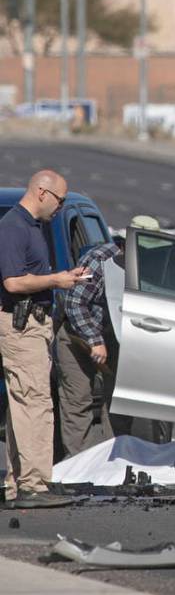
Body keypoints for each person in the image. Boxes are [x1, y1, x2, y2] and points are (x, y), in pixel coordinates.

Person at [0, 170, 87, 508]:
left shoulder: (33, 227)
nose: (61, 207)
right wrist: (56, 280)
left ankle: (21, 482)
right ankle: (33, 486)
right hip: (20, 327)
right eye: (59, 200)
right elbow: (13, 283)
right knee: (34, 403)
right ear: (41, 192)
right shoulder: (13, 226)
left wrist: (62, 279)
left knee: (27, 403)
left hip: (34, 326)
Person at [56, 215, 172, 458]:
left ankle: (112, 457)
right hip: (78, 335)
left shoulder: (149, 265)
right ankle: (82, 461)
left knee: (119, 402)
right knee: (78, 400)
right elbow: (75, 303)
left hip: (116, 340)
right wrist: (94, 340)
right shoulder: (98, 260)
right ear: (127, 243)